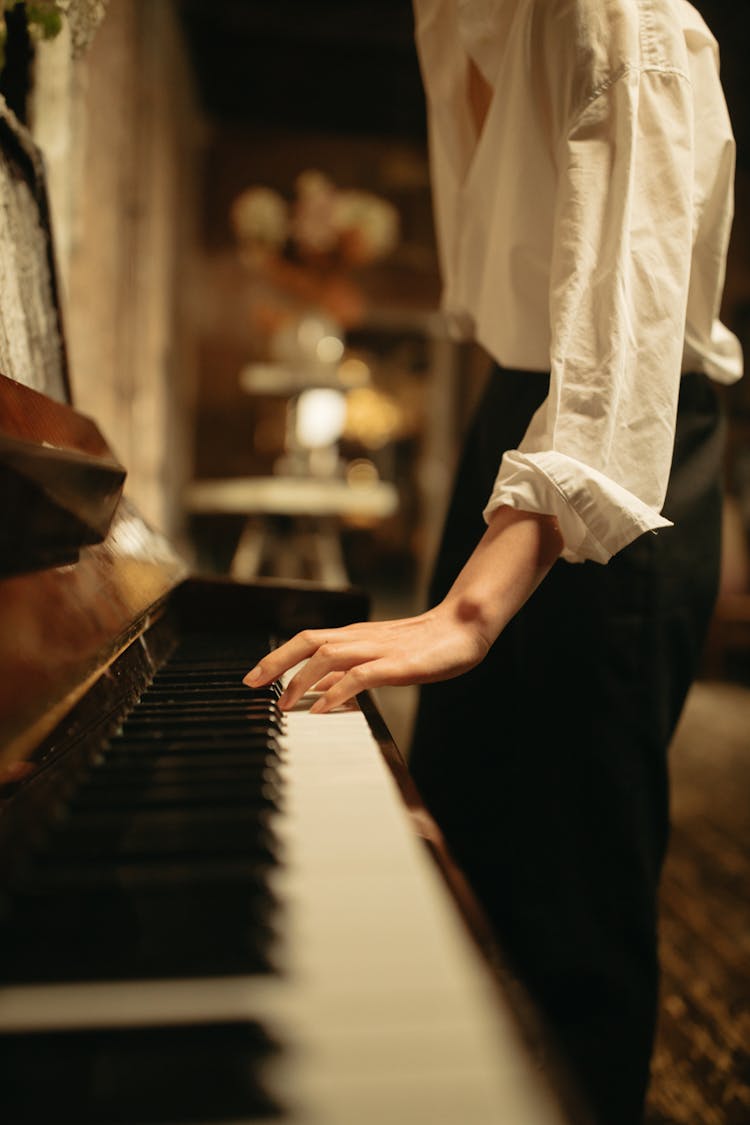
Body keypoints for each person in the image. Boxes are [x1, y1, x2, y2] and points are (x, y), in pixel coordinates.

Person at [243, 1, 744, 1121]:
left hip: (618, 447)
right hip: (523, 421)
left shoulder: (624, 15)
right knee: (470, 865)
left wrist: (471, 611)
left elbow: (629, 333)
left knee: (564, 921)